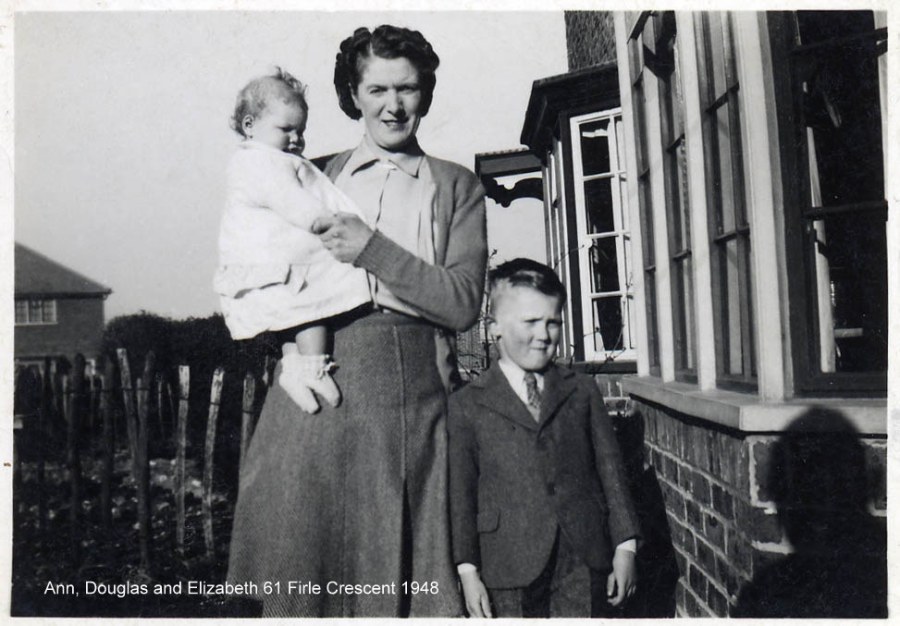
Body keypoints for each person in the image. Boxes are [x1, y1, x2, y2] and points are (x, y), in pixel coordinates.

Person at [227, 24, 487, 618]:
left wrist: (372, 249)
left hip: (407, 399)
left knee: (394, 582)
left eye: (408, 89)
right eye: (376, 90)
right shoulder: (310, 172)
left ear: (425, 93)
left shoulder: (456, 186)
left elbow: (463, 302)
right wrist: (292, 350)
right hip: (313, 385)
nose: (393, 106)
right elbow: (258, 261)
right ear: (352, 93)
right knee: (301, 577)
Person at [447, 258, 641, 618]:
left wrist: (625, 546)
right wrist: (467, 570)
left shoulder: (581, 391)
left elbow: (610, 472)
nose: (543, 334)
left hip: (581, 554)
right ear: (494, 329)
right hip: (506, 561)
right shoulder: (467, 404)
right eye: (531, 322)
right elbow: (461, 495)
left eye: (553, 322)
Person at [214, 67, 371, 413]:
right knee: (312, 306)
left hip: (273, 258)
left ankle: (294, 371)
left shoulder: (262, 158)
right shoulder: (262, 162)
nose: (295, 139)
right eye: (285, 129)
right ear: (249, 125)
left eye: (300, 130)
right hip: (279, 257)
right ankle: (314, 366)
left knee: (291, 316)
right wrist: (318, 220)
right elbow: (289, 198)